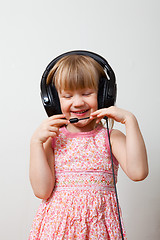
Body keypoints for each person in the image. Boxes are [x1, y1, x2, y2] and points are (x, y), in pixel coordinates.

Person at [29, 54, 148, 239]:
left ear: (103, 94)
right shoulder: (53, 140)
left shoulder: (111, 138)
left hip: (98, 230)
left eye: (86, 93)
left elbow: (138, 172)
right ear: (52, 100)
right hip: (57, 230)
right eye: (67, 96)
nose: (78, 102)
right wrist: (36, 144)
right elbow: (41, 191)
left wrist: (130, 121)